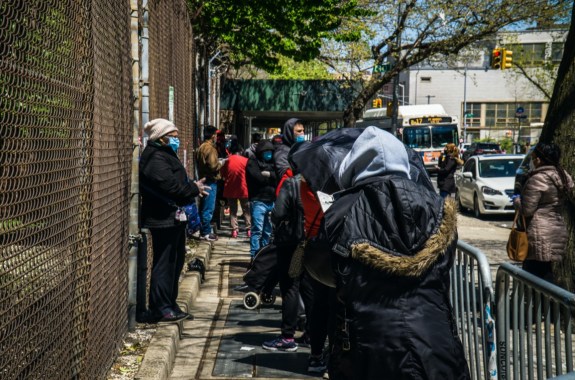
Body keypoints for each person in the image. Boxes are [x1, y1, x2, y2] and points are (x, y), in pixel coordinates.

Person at [323, 127, 470, 379]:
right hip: (434, 340)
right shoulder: (438, 207)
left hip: (368, 344)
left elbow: (325, 271)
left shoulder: (340, 211)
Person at [139, 118, 209, 323]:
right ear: (161, 138)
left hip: (172, 218)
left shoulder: (164, 155)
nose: (177, 140)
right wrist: (193, 188)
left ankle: (169, 303)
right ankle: (161, 307)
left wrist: (191, 186)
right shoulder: (155, 158)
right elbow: (171, 186)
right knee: (165, 263)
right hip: (163, 218)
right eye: (173, 137)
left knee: (175, 261)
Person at [513, 142, 574, 283]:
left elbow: (527, 210)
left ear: (539, 159)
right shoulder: (563, 175)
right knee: (546, 271)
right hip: (557, 228)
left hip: (539, 232)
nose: (533, 161)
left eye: (534, 158)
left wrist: (516, 200)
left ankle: (541, 305)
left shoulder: (538, 178)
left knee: (535, 275)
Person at [245, 140, 277, 259]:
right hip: (258, 200)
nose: (268, 154)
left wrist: (268, 174)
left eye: (270, 152)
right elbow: (258, 178)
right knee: (257, 230)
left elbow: (278, 177)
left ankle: (264, 256)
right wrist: (271, 177)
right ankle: (254, 256)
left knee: (268, 231)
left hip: (271, 201)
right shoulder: (252, 162)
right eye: (266, 152)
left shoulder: (274, 162)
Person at [196, 125, 223, 241]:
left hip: (204, 178)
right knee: (208, 208)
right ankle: (206, 232)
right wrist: (221, 163)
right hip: (210, 180)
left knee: (204, 207)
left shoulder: (201, 147)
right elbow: (213, 166)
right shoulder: (210, 149)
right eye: (216, 135)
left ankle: (204, 230)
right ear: (213, 135)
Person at [221, 138, 251, 239]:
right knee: (246, 209)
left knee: (233, 210)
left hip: (230, 188)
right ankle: (249, 229)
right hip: (243, 188)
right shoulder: (246, 161)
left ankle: (234, 230)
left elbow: (223, 175)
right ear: (240, 151)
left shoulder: (227, 161)